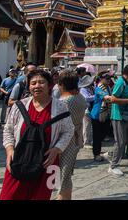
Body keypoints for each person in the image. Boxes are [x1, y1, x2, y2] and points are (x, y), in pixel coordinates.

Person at [0, 70, 74, 200]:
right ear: (29, 86)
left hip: (49, 162)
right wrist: (10, 150)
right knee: (8, 196)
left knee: (42, 196)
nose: (37, 86)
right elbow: (8, 130)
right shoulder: (19, 106)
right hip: (19, 159)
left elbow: (69, 131)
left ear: (50, 85)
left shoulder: (61, 107)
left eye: (41, 82)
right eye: (33, 83)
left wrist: (56, 150)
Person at [56, 70, 87, 200]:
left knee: (61, 175)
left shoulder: (63, 102)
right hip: (76, 138)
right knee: (66, 173)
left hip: (63, 141)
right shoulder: (80, 97)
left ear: (61, 84)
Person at [105, 65, 128, 176]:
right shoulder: (120, 82)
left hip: (127, 115)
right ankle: (113, 166)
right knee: (120, 141)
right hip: (118, 116)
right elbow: (113, 99)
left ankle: (110, 154)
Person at [89, 72, 112, 162]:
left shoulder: (109, 88)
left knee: (104, 133)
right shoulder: (98, 88)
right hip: (97, 115)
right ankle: (96, 154)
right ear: (101, 79)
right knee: (97, 136)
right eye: (106, 78)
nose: (108, 80)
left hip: (106, 115)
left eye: (109, 78)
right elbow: (106, 97)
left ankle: (96, 146)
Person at [79, 75, 95, 148]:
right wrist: (95, 96)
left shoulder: (90, 88)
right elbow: (86, 98)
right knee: (86, 126)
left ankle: (88, 140)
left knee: (88, 126)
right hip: (85, 109)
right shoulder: (83, 89)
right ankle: (86, 142)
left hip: (89, 109)